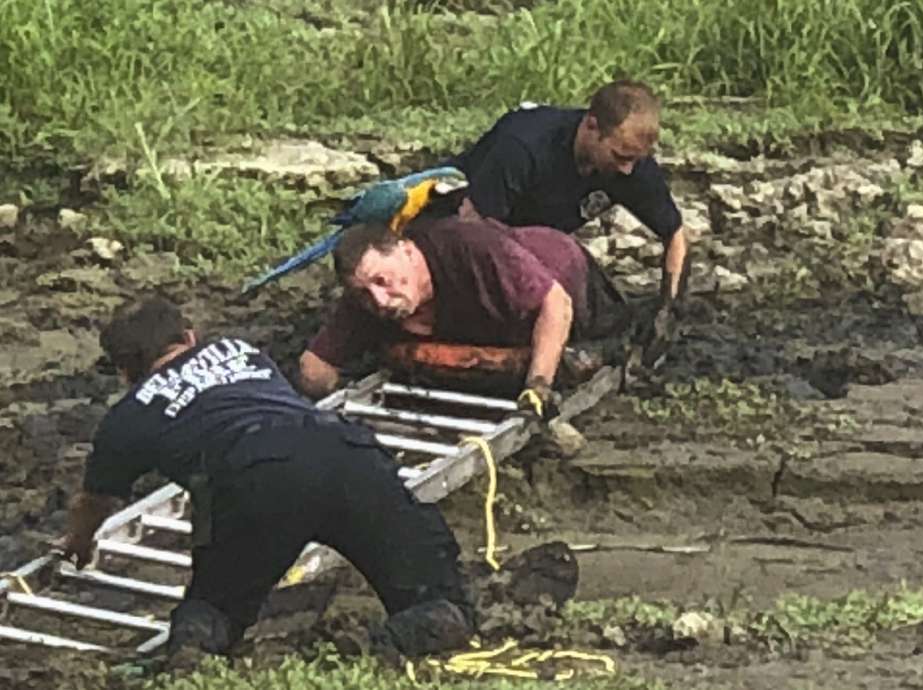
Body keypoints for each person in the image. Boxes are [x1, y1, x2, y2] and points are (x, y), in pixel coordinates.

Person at [58, 295, 475, 658]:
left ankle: (193, 653)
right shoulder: (239, 350)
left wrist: (78, 542)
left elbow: (96, 500)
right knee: (437, 596)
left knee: (215, 608)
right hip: (343, 450)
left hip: (253, 472)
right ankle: (392, 640)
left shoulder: (129, 414)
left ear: (127, 373)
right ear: (189, 336)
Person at [297, 215, 624, 409]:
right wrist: (345, 397)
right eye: (365, 293)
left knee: (576, 355)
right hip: (472, 341)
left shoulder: (470, 249)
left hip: (562, 279)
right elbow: (313, 367)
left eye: (384, 281)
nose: (381, 300)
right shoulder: (366, 299)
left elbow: (556, 304)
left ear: (406, 251)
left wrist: (538, 387)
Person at [445, 79, 692, 305]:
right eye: (619, 157)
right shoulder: (523, 147)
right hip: (457, 222)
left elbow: (675, 235)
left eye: (635, 160)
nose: (627, 170)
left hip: (532, 242)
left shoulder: (631, 163)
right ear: (591, 126)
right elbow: (471, 231)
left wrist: (669, 307)